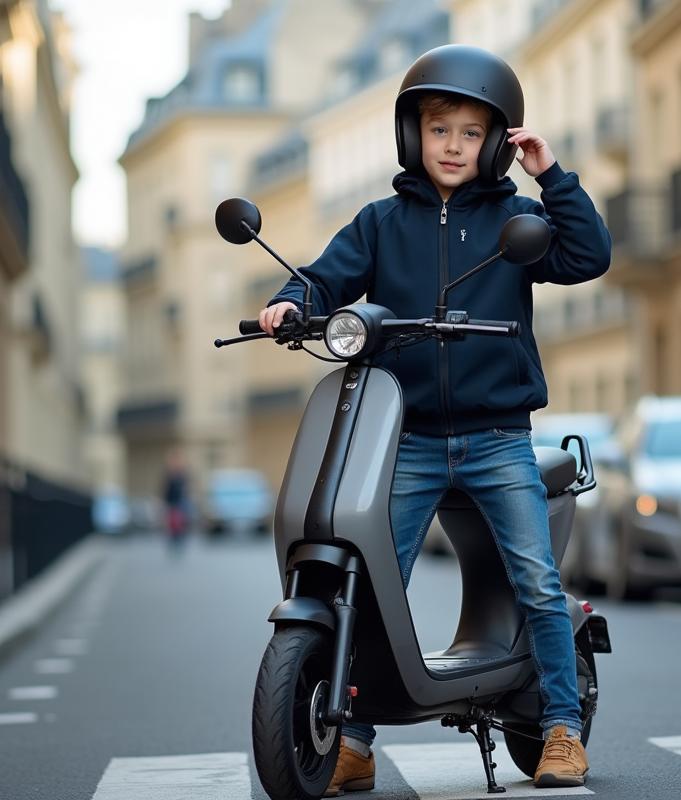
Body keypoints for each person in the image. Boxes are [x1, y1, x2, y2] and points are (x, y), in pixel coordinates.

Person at [257, 44, 610, 793]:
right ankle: (350, 738)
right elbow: (325, 277)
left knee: (536, 582)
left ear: (495, 143)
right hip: (406, 438)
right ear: (412, 135)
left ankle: (560, 728)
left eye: (470, 133)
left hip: (495, 438)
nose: (452, 146)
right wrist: (293, 303)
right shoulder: (381, 223)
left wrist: (551, 176)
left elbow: (586, 254)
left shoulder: (516, 218)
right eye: (439, 129)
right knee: (376, 578)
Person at [162, 448, 190, 550]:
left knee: (180, 520)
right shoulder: (169, 473)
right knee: (171, 522)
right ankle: (173, 539)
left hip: (180, 501)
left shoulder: (183, 473)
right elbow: (164, 488)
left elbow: (186, 488)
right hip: (171, 502)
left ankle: (180, 538)